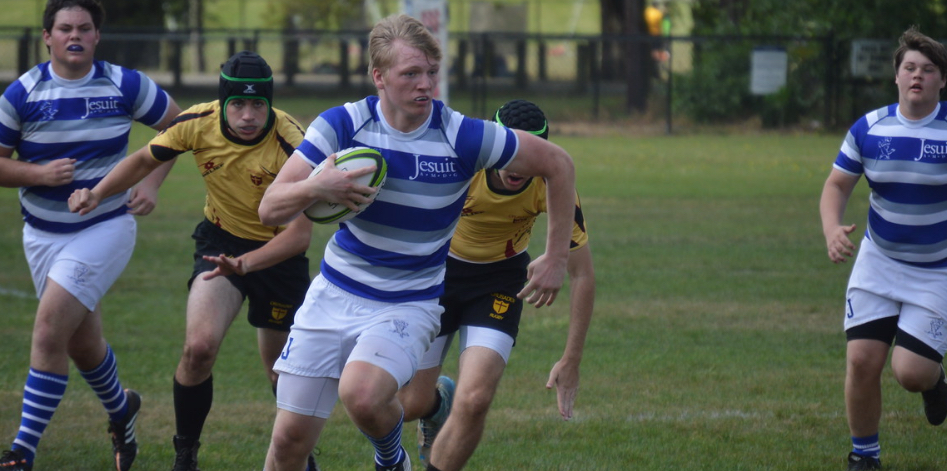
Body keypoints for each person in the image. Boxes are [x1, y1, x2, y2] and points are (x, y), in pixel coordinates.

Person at [258, 14, 576, 471]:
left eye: (431, 72)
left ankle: (391, 459)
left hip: (408, 302)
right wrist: (316, 187)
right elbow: (270, 208)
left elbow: (559, 164)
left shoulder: (462, 136)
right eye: (411, 74)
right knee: (288, 442)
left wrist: (557, 256)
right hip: (333, 293)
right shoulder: (342, 125)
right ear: (379, 77)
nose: (425, 85)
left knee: (362, 395)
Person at [68, 51, 320, 471]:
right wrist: (97, 193)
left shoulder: (293, 143)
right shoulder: (196, 122)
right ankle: (185, 455)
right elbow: (144, 159)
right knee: (198, 348)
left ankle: (298, 453)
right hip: (219, 242)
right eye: (237, 103)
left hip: (276, 257)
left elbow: (300, 236)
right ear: (222, 103)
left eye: (258, 104)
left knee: (282, 377)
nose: (247, 115)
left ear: (270, 104)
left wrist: (247, 264)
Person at [0, 1, 181, 470]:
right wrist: (38, 175)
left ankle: (22, 452)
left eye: (84, 28)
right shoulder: (22, 93)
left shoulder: (125, 83)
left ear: (97, 36)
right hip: (41, 235)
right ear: (47, 36)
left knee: (47, 331)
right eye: (64, 28)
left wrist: (150, 181)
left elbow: (180, 128)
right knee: (81, 343)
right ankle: (122, 410)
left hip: (106, 226)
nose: (74, 35)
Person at [397, 99, 594, 471]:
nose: (518, 166)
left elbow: (582, 274)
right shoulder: (461, 166)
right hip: (435, 276)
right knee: (408, 405)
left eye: (531, 153)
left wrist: (572, 359)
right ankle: (437, 405)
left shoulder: (551, 185)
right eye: (510, 151)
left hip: (499, 284)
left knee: (474, 400)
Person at [819, 26, 947, 471]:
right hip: (880, 260)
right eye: (909, 68)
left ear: (941, 81)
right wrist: (832, 228)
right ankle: (864, 456)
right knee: (861, 360)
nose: (918, 76)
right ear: (896, 77)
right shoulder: (870, 128)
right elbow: (836, 185)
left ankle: (935, 383)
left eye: (928, 70)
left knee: (910, 372)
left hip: (936, 270)